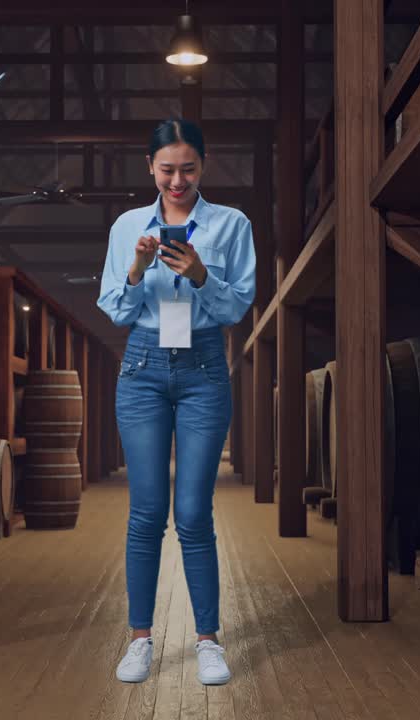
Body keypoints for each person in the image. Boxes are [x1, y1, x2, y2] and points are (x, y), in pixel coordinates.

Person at [96, 118, 256, 686]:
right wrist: (139, 268)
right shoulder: (125, 227)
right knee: (145, 513)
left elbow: (235, 307)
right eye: (167, 169)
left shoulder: (231, 224)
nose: (178, 180)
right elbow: (115, 308)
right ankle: (140, 639)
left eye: (188, 168)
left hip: (204, 368)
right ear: (151, 169)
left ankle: (207, 640)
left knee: (192, 513)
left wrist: (202, 273)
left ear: (203, 166)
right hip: (141, 369)